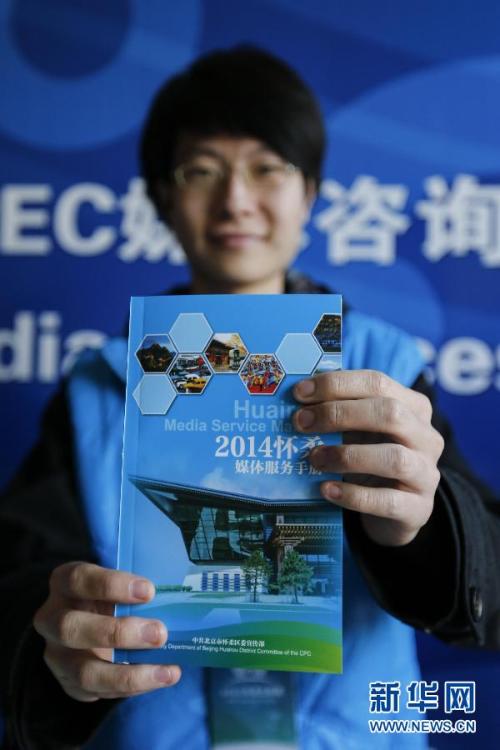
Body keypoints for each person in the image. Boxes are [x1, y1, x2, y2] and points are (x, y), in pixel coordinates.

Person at [1, 46, 499, 750]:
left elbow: (490, 587)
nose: (236, 199)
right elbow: (20, 576)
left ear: (310, 194)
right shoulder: (101, 385)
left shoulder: (384, 370)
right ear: (162, 199)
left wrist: (427, 526)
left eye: (268, 168)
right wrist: (52, 639)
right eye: (202, 170)